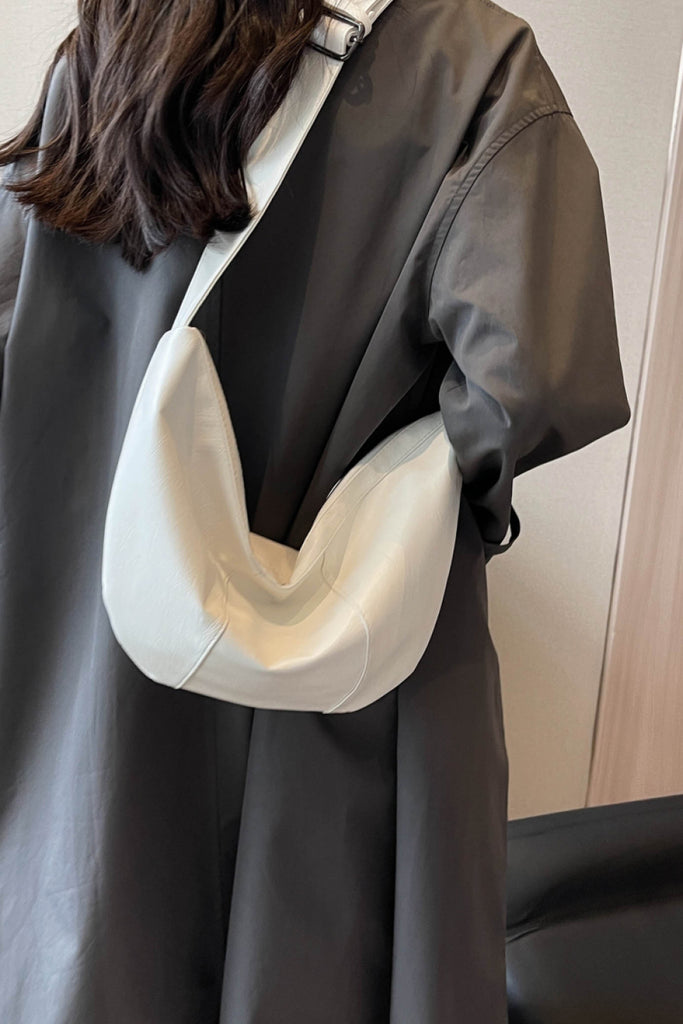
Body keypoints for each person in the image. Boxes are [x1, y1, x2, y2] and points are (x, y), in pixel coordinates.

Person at [0, 0, 631, 1021]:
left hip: (94, 663)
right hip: (347, 695)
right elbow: (537, 379)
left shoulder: (111, 55)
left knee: (98, 925)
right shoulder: (473, 69)